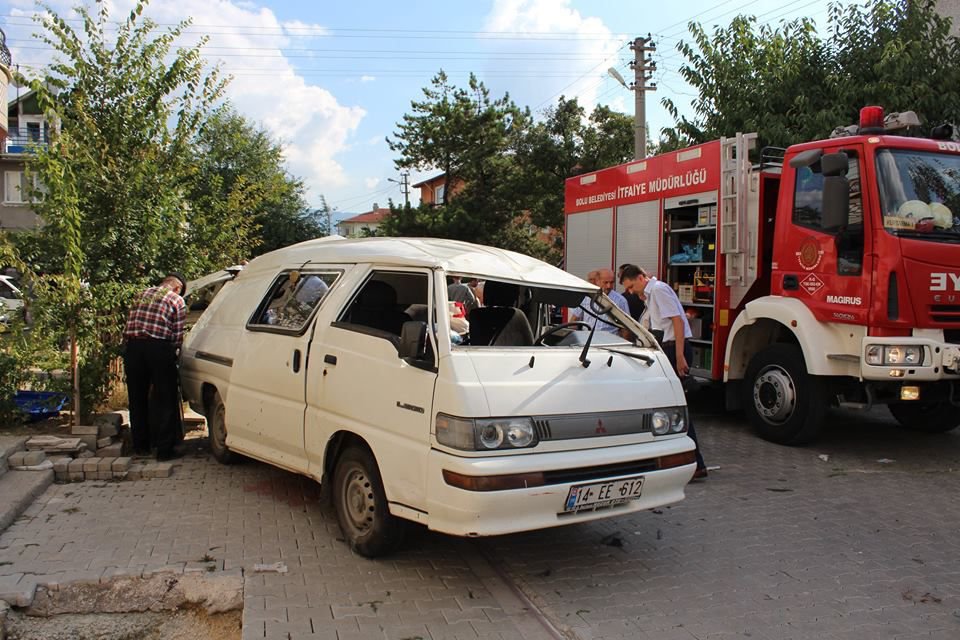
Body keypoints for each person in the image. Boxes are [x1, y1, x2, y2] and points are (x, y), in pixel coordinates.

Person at [620, 265, 708, 480]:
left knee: (676, 405)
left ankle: (695, 463)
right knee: (671, 404)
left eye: (631, 286)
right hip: (667, 348)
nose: (630, 292)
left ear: (641, 278)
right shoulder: (651, 293)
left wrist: (679, 356)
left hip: (672, 348)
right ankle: (691, 462)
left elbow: (677, 321)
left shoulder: (658, 290)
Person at [123, 273, 187, 461]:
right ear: (177, 288)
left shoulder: (141, 294)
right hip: (158, 348)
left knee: (137, 397)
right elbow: (176, 335)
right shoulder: (176, 300)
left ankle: (141, 446)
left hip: (134, 348)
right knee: (165, 397)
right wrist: (173, 353)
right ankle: (164, 449)